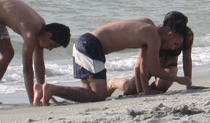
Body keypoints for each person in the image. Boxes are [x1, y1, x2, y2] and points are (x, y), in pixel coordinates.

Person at [39, 15, 192, 105]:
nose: (173, 48)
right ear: (170, 33)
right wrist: (179, 79)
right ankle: (52, 89)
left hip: (84, 43)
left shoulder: (147, 25)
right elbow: (155, 69)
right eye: (175, 43)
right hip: (91, 45)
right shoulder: (152, 35)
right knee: (98, 96)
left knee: (89, 95)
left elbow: (142, 65)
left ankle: (45, 91)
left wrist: (144, 91)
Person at [108, 11, 195, 96]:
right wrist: (141, 90)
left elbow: (187, 58)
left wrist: (188, 84)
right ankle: (113, 82)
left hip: (169, 66)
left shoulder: (187, 36)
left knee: (163, 85)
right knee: (131, 89)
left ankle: (151, 89)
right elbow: (141, 62)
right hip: (150, 65)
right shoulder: (154, 33)